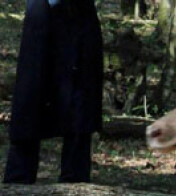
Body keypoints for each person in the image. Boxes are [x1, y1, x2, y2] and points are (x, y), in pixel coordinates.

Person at [4, 0, 104, 184]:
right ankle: (19, 179)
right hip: (44, 9)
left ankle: (75, 183)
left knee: (81, 96)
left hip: (81, 14)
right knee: (31, 92)